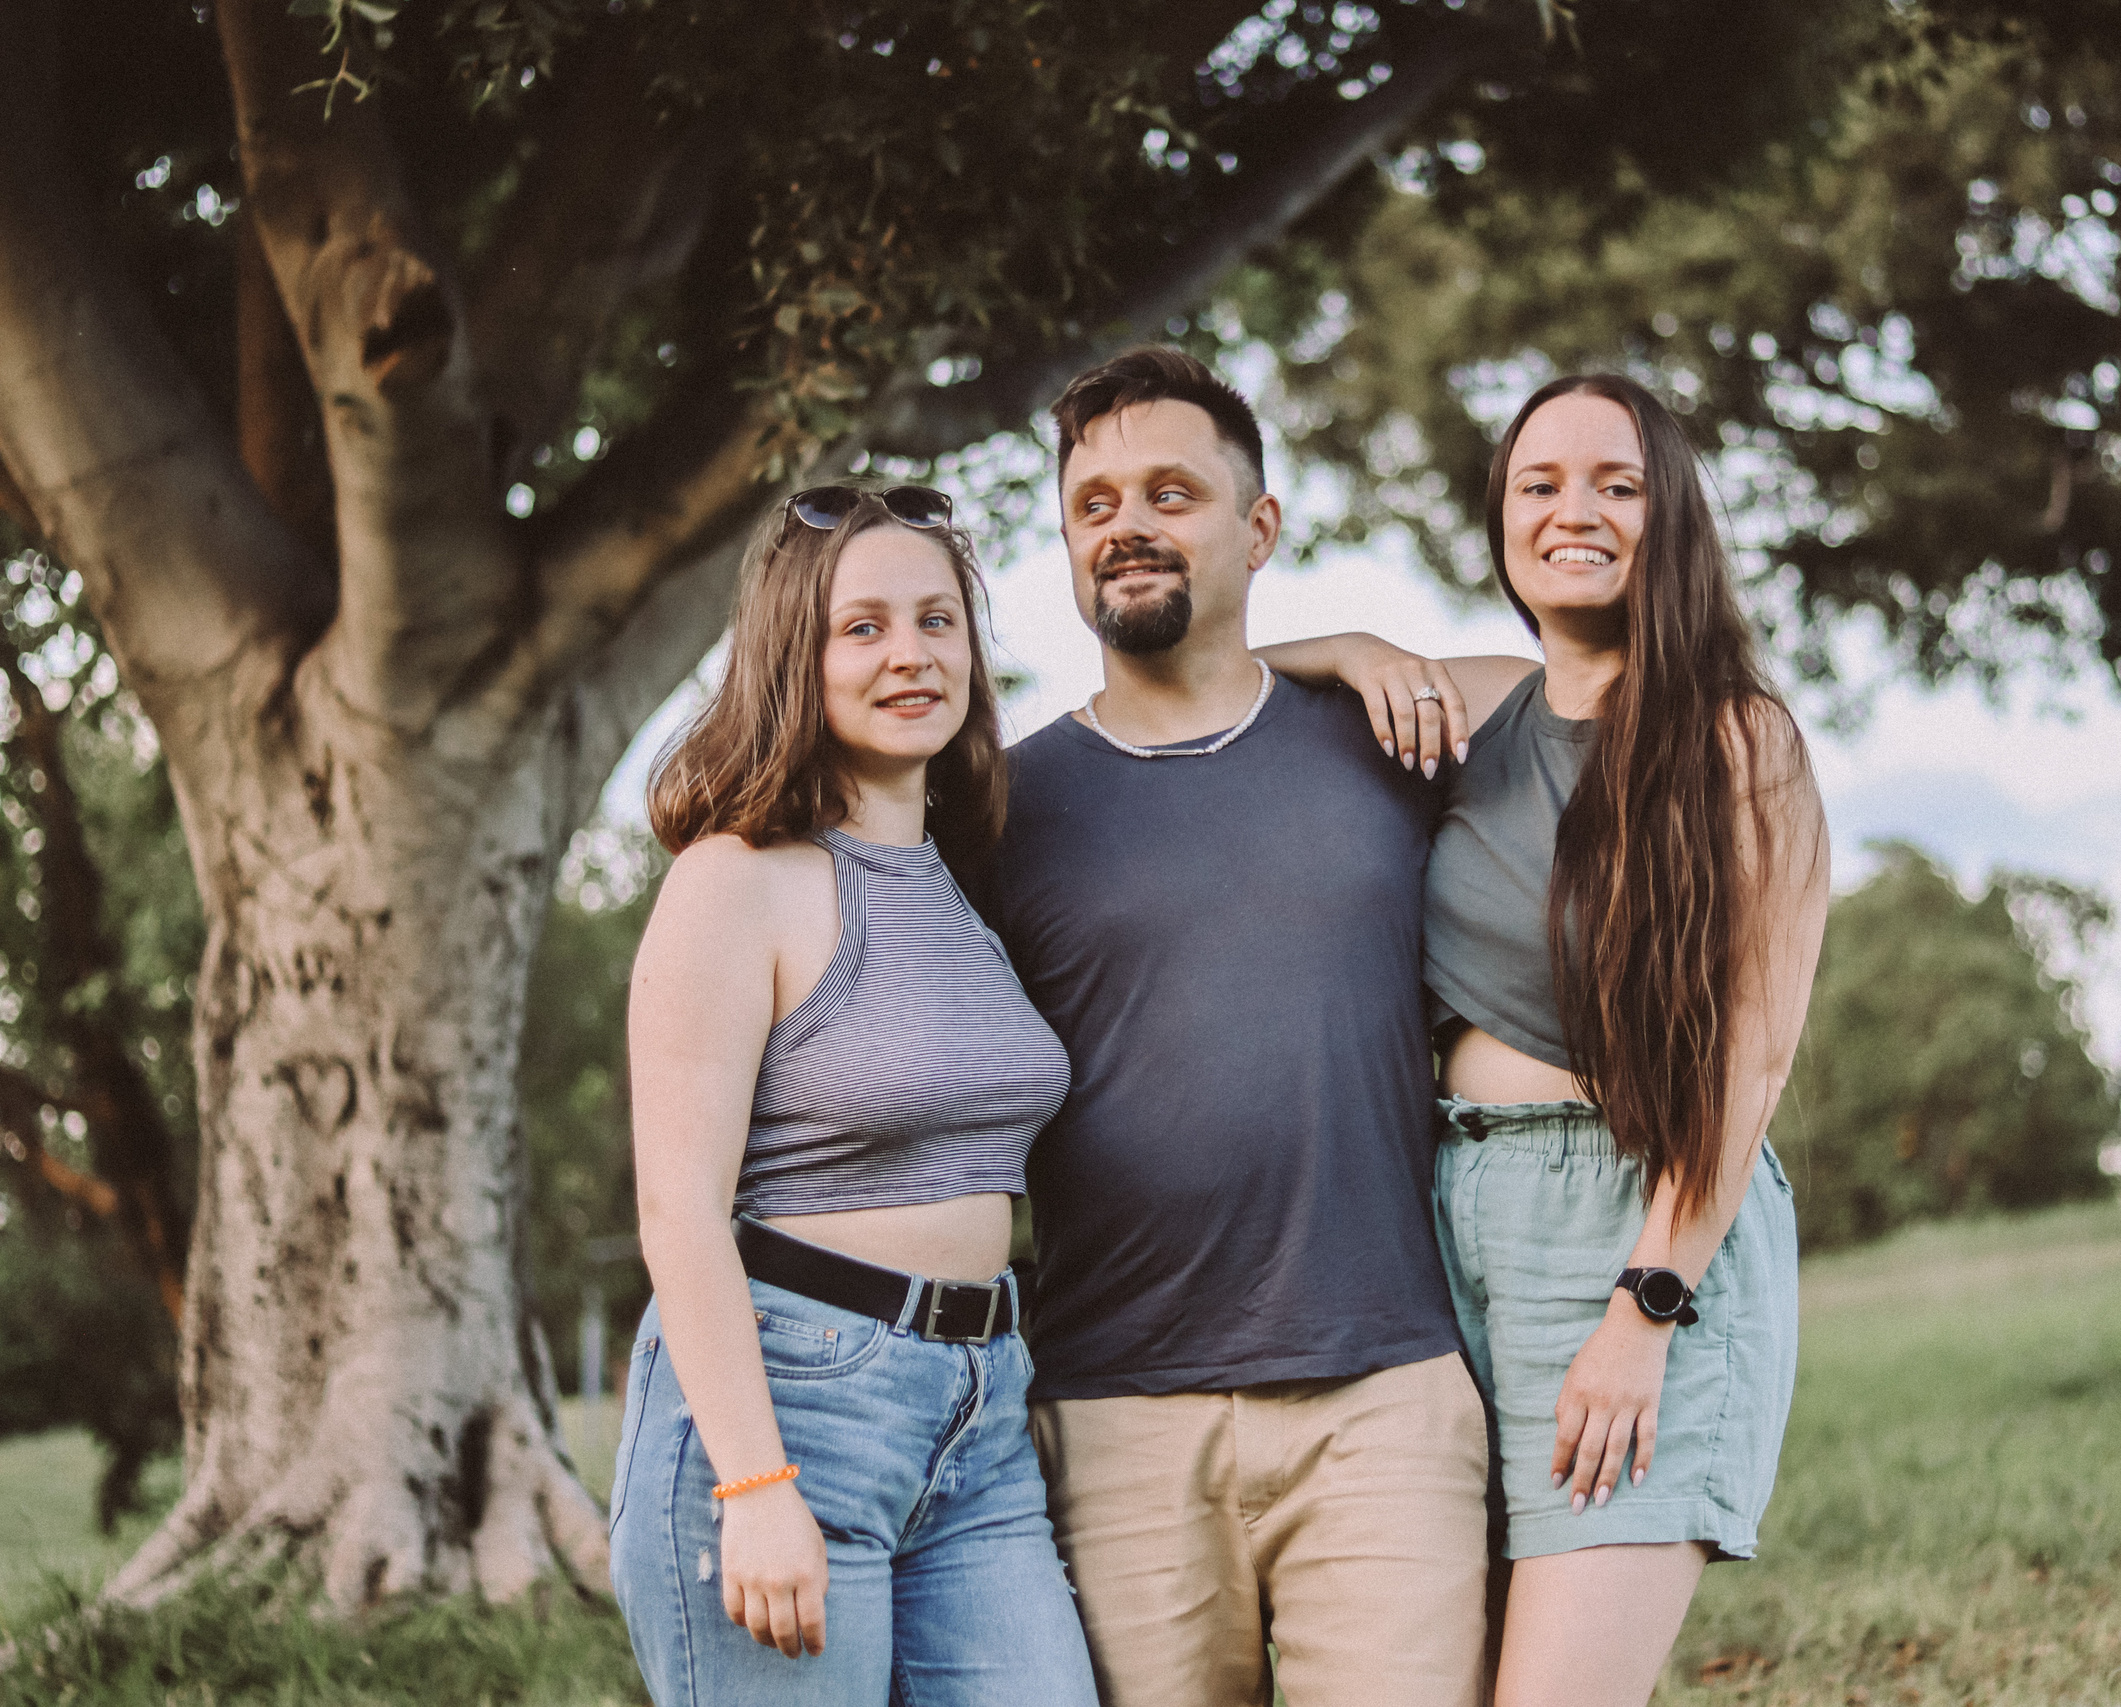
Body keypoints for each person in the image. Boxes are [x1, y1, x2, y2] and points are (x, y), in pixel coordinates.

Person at [1262, 373, 1828, 1707]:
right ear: (1503, 518)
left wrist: (1644, 1308)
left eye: (1616, 485)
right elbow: (1225, 684)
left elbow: (1750, 1065)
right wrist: (1357, 648)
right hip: (1448, 1230)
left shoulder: (1739, 740)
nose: (1574, 511)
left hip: (1634, 1227)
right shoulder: (1483, 705)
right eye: (1540, 484)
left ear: (1668, 517)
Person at [979, 347, 1490, 1707]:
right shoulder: (1001, 809)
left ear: (1259, 529)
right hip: (1111, 1412)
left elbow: (1589, 691)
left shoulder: (1383, 734)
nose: (1126, 526)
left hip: (1383, 1391)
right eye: (1093, 505)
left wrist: (1348, 652)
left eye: (1172, 493)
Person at [609, 484, 1098, 1707]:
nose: (911, 655)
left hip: (980, 1415)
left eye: (938, 621)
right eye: (863, 627)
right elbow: (678, 1213)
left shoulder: (954, 879)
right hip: (790, 1407)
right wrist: (754, 1483)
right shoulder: (736, 879)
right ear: (795, 657)